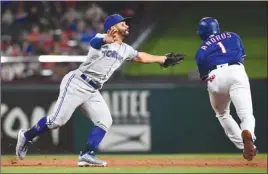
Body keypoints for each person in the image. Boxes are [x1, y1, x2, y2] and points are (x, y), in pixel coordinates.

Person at [16, 14, 183, 167]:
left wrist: (162, 59)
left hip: (93, 90)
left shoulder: (125, 49)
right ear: (112, 27)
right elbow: (94, 43)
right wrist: (105, 40)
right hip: (77, 83)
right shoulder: (101, 38)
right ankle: (27, 136)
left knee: (105, 120)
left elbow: (141, 56)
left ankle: (86, 154)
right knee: (56, 121)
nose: (127, 26)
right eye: (123, 23)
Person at [195, 17, 258, 161]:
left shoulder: (201, 51)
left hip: (215, 76)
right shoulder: (233, 36)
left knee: (222, 114)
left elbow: (204, 77)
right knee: (246, 114)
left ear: (201, 32)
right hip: (236, 71)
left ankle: (244, 147)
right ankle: (248, 134)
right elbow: (242, 59)